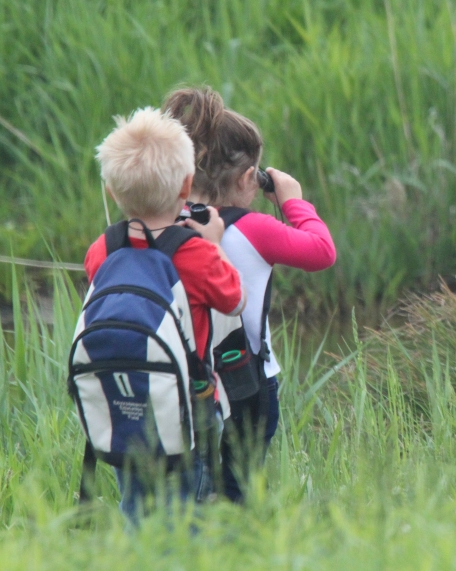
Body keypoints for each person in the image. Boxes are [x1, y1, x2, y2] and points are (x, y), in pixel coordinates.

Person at [162, 86, 337, 502]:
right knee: (236, 497)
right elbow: (322, 252)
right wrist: (293, 201)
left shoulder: (163, 221)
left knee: (187, 493)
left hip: (178, 384)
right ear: (247, 179)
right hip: (245, 384)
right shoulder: (255, 228)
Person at [84, 106, 246, 520]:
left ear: (111, 191)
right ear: (187, 185)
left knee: (135, 501)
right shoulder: (194, 253)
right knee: (187, 506)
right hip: (189, 406)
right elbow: (233, 299)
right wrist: (214, 244)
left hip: (122, 401)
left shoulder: (102, 250)